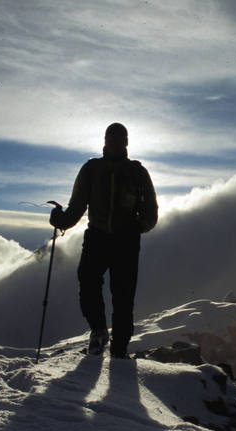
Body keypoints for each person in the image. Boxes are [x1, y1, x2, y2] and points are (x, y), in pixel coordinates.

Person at [50, 123, 158, 358]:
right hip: (101, 237)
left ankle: (118, 345)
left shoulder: (134, 172)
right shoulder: (92, 169)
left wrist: (133, 230)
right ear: (106, 141)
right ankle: (101, 333)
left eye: (119, 139)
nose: (115, 143)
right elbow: (77, 206)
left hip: (120, 240)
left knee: (122, 294)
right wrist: (62, 221)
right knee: (94, 285)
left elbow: (150, 213)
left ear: (126, 142)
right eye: (112, 139)